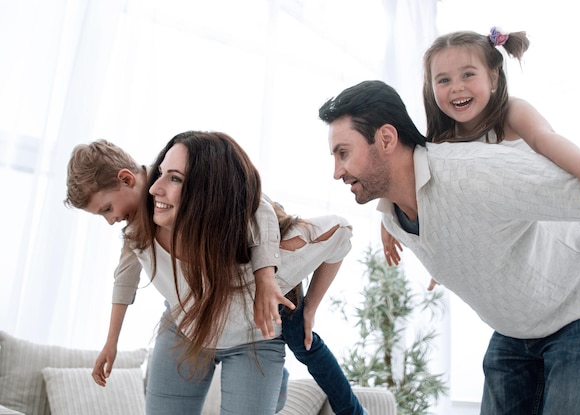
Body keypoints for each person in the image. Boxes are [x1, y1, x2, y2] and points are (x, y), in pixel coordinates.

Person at [319, 79, 580, 414]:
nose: (337, 172)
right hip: (516, 330)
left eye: (343, 153)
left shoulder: (472, 173)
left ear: (387, 139)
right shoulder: (392, 213)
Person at [65, 134, 366, 415]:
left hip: (252, 339)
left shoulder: (250, 239)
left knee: (307, 346)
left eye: (106, 209)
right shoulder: (139, 227)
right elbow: (124, 279)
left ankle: (278, 384)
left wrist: (280, 287)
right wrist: (111, 342)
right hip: (186, 327)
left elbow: (275, 210)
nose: (110, 220)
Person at [381, 28, 580, 264]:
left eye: (468, 74)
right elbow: (419, 188)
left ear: (493, 76)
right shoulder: (441, 143)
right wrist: (389, 219)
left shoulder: (511, 112)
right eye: (444, 80)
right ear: (431, 88)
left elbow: (545, 139)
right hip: (547, 244)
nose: (457, 87)